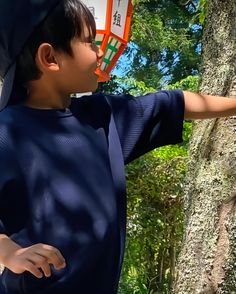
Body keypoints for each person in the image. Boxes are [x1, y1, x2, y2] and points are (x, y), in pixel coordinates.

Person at [0, 0, 236, 293]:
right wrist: (9, 251)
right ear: (50, 57)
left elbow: (171, 103)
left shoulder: (103, 116)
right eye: (89, 42)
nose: (99, 51)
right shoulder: (7, 133)